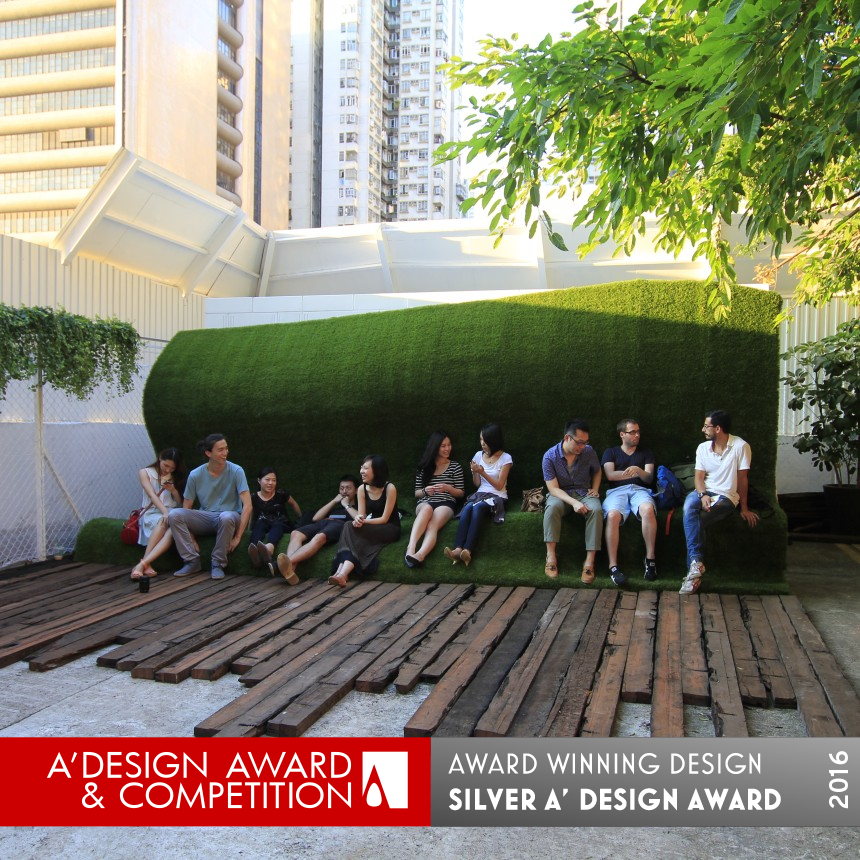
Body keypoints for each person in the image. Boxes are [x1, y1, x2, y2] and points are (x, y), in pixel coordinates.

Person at [679, 410, 760, 595]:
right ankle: (696, 566)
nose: (703, 430)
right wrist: (702, 495)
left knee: (696, 520)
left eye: (706, 426)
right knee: (688, 507)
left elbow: (743, 479)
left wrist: (744, 507)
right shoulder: (702, 448)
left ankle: (693, 573)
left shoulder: (741, 446)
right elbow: (698, 478)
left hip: (726, 496)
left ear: (718, 428)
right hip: (703, 491)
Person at [168, 433, 252, 580]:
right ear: (208, 453)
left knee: (226, 517)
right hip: (206, 517)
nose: (225, 453)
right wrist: (191, 537)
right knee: (174, 514)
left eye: (226, 448)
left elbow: (248, 505)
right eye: (220, 450)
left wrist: (238, 537)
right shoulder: (195, 475)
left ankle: (218, 563)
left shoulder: (237, 471)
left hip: (230, 516)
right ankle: (191, 560)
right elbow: (187, 506)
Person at [542, 418, 603, 583]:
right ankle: (550, 557)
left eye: (585, 442)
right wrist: (574, 502)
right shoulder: (549, 456)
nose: (583, 446)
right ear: (567, 438)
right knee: (552, 508)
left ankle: (589, 562)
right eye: (579, 442)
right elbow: (553, 489)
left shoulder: (588, 452)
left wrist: (595, 489)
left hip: (584, 492)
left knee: (596, 510)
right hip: (561, 494)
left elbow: (597, 471)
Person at [443, 423, 511, 567]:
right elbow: (477, 484)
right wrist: (475, 472)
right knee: (468, 507)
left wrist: (482, 472)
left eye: (485, 441)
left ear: (493, 440)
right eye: (481, 439)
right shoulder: (478, 455)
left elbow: (499, 485)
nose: (482, 443)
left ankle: (468, 551)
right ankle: (457, 549)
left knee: (478, 507)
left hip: (497, 497)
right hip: (480, 494)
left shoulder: (506, 458)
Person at [272, 474, 360, 584]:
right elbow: (316, 518)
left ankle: (281, 564)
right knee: (296, 533)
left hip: (339, 525)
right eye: (342, 488)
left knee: (319, 537)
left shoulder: (358, 507)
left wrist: (347, 505)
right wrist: (334, 501)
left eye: (348, 488)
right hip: (323, 522)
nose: (344, 491)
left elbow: (361, 518)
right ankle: (290, 571)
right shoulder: (336, 507)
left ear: (356, 491)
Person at [328, 455, 399, 588]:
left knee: (352, 532)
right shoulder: (361, 489)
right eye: (361, 467)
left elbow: (384, 519)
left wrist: (363, 522)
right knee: (348, 525)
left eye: (365, 468)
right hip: (372, 525)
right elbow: (362, 515)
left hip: (389, 527)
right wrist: (358, 520)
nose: (361, 471)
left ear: (376, 470)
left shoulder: (390, 488)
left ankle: (340, 571)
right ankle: (341, 574)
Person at [601, 419, 658, 585]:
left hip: (640, 490)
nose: (637, 435)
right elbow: (610, 475)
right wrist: (635, 473)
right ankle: (613, 566)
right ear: (622, 434)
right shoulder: (610, 452)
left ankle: (650, 560)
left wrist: (638, 470)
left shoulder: (646, 452)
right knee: (612, 515)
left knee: (648, 509)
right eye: (632, 432)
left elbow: (648, 478)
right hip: (616, 491)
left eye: (638, 431)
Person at [404, 430, 465, 567]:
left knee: (432, 524)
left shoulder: (455, 466)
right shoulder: (424, 467)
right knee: (426, 509)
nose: (447, 448)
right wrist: (425, 491)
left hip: (446, 503)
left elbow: (461, 493)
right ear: (435, 447)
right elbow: (417, 493)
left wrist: (448, 488)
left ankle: (420, 555)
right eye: (443, 446)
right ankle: (410, 549)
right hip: (425, 502)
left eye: (449, 445)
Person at [130, 448, 185, 580]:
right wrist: (165, 512)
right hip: (152, 512)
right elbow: (151, 495)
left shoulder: (175, 476)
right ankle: (145, 564)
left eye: (172, 468)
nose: (168, 470)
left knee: (171, 529)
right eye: (166, 465)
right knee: (164, 521)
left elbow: (179, 501)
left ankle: (143, 564)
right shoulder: (145, 472)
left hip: (171, 511)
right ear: (160, 458)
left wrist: (173, 490)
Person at [247, 466, 302, 570]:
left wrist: (300, 518)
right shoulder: (253, 497)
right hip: (264, 523)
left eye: (274, 480)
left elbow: (294, 504)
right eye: (267, 480)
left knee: (278, 524)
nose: (270, 483)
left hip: (282, 523)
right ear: (259, 481)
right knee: (259, 523)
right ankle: (254, 552)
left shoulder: (281, 494)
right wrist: (249, 528)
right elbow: (251, 514)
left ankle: (269, 548)